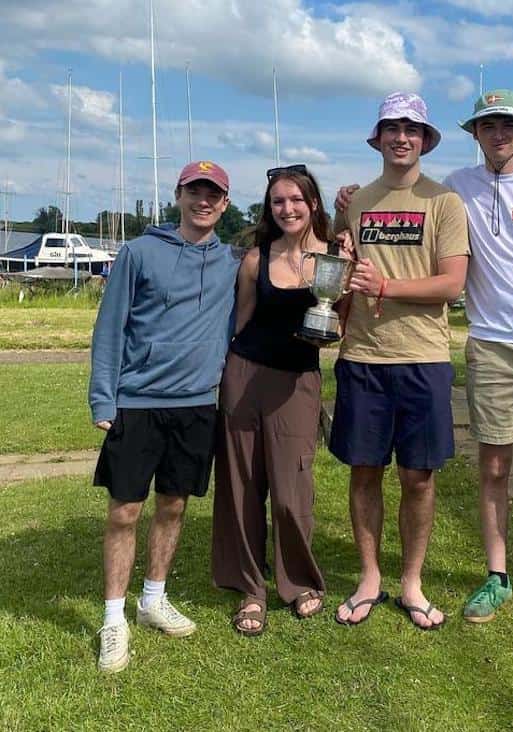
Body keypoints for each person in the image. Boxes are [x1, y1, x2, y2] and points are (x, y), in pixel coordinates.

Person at [335, 90, 513, 629]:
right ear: (474, 134)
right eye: (488, 126)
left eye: (508, 124)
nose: (498, 133)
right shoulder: (454, 187)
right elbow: (380, 203)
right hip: (487, 342)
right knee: (494, 467)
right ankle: (496, 576)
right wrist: (344, 202)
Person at [89, 161, 239, 672]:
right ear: (178, 195)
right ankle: (114, 617)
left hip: (197, 405)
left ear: (224, 203)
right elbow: (110, 328)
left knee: (173, 507)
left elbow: (293, 260)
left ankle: (153, 599)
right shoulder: (138, 253)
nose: (204, 200)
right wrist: (103, 400)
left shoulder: (231, 263)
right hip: (138, 402)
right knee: (124, 511)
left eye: (213, 193)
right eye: (194, 190)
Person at [330, 92, 470, 630]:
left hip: (424, 357)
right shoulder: (356, 202)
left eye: (412, 129)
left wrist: (387, 285)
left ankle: (411, 581)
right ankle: (369, 577)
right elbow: (338, 269)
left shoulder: (444, 203)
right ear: (378, 138)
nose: (401, 137)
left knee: (418, 477)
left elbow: (452, 284)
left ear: (426, 141)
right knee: (365, 472)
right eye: (392, 128)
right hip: (363, 355)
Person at [212, 165, 344, 635]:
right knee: (243, 485)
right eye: (277, 202)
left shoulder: (335, 259)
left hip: (298, 382)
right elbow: (240, 323)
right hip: (245, 374)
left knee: (292, 491)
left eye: (295, 200)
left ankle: (299, 580)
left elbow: (343, 319)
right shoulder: (255, 259)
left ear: (312, 204)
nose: (287, 209)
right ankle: (251, 588)